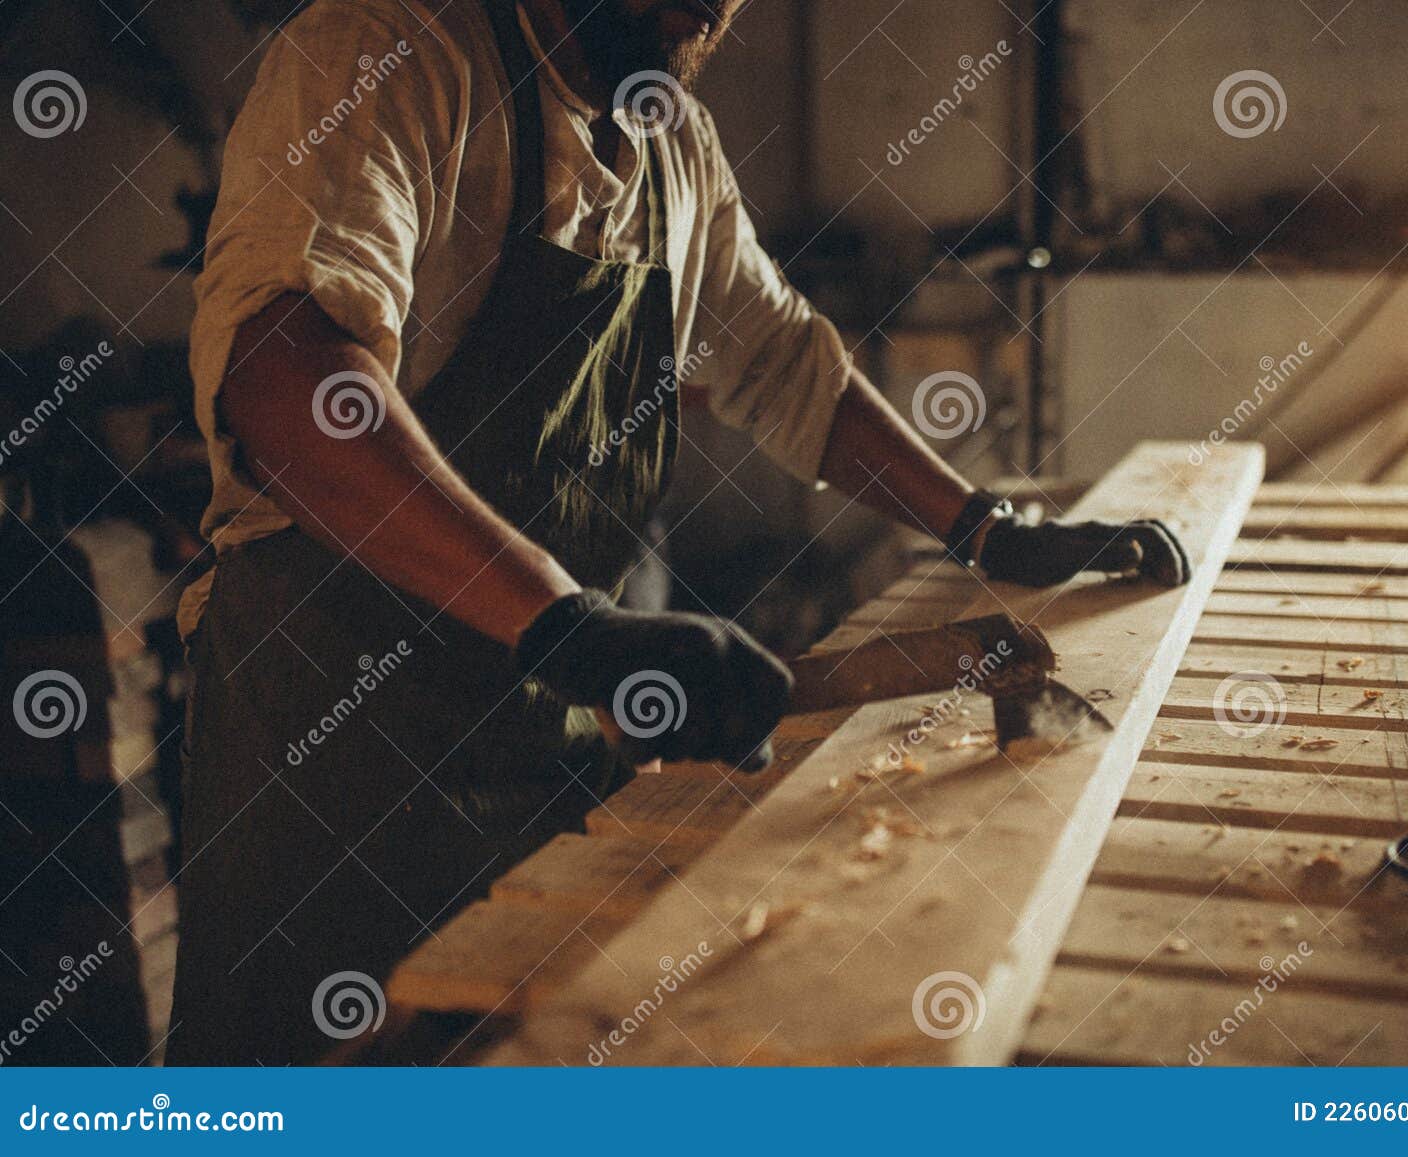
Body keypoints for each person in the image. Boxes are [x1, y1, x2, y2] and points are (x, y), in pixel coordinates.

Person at [168, 0, 1190, 1064]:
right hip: (337, 760)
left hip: (540, 743)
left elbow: (784, 363)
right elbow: (289, 385)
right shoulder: (388, 54)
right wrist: (565, 623)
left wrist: (985, 527)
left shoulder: (672, 144)